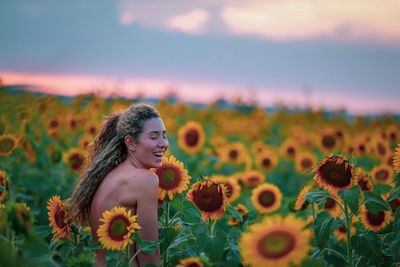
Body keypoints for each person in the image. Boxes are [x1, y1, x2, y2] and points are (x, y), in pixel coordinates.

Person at [68, 103, 168, 267]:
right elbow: (148, 255)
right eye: (153, 136)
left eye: (164, 135)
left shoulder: (108, 175)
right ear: (130, 143)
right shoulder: (145, 180)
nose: (163, 143)